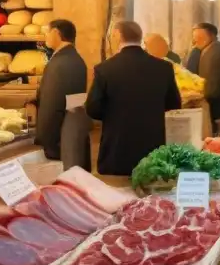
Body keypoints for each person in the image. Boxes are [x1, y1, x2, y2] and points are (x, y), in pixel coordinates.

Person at [86, 21, 182, 176]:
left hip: (117, 151)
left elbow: (92, 108)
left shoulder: (105, 69)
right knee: (151, 197)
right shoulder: (163, 68)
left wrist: (112, 115)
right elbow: (174, 103)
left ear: (117, 34)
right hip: (152, 149)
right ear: (140, 37)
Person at [32, 19, 86, 161]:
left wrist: (43, 137)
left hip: (56, 141)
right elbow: (74, 103)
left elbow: (51, 104)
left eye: (47, 33)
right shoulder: (77, 60)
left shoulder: (59, 64)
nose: (46, 37)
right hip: (70, 136)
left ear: (56, 33)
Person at [193, 23, 220, 121]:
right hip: (212, 103)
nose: (195, 40)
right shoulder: (208, 50)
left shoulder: (217, 53)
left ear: (212, 36)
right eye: (195, 37)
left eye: (200, 37)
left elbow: (214, 85)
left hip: (217, 107)